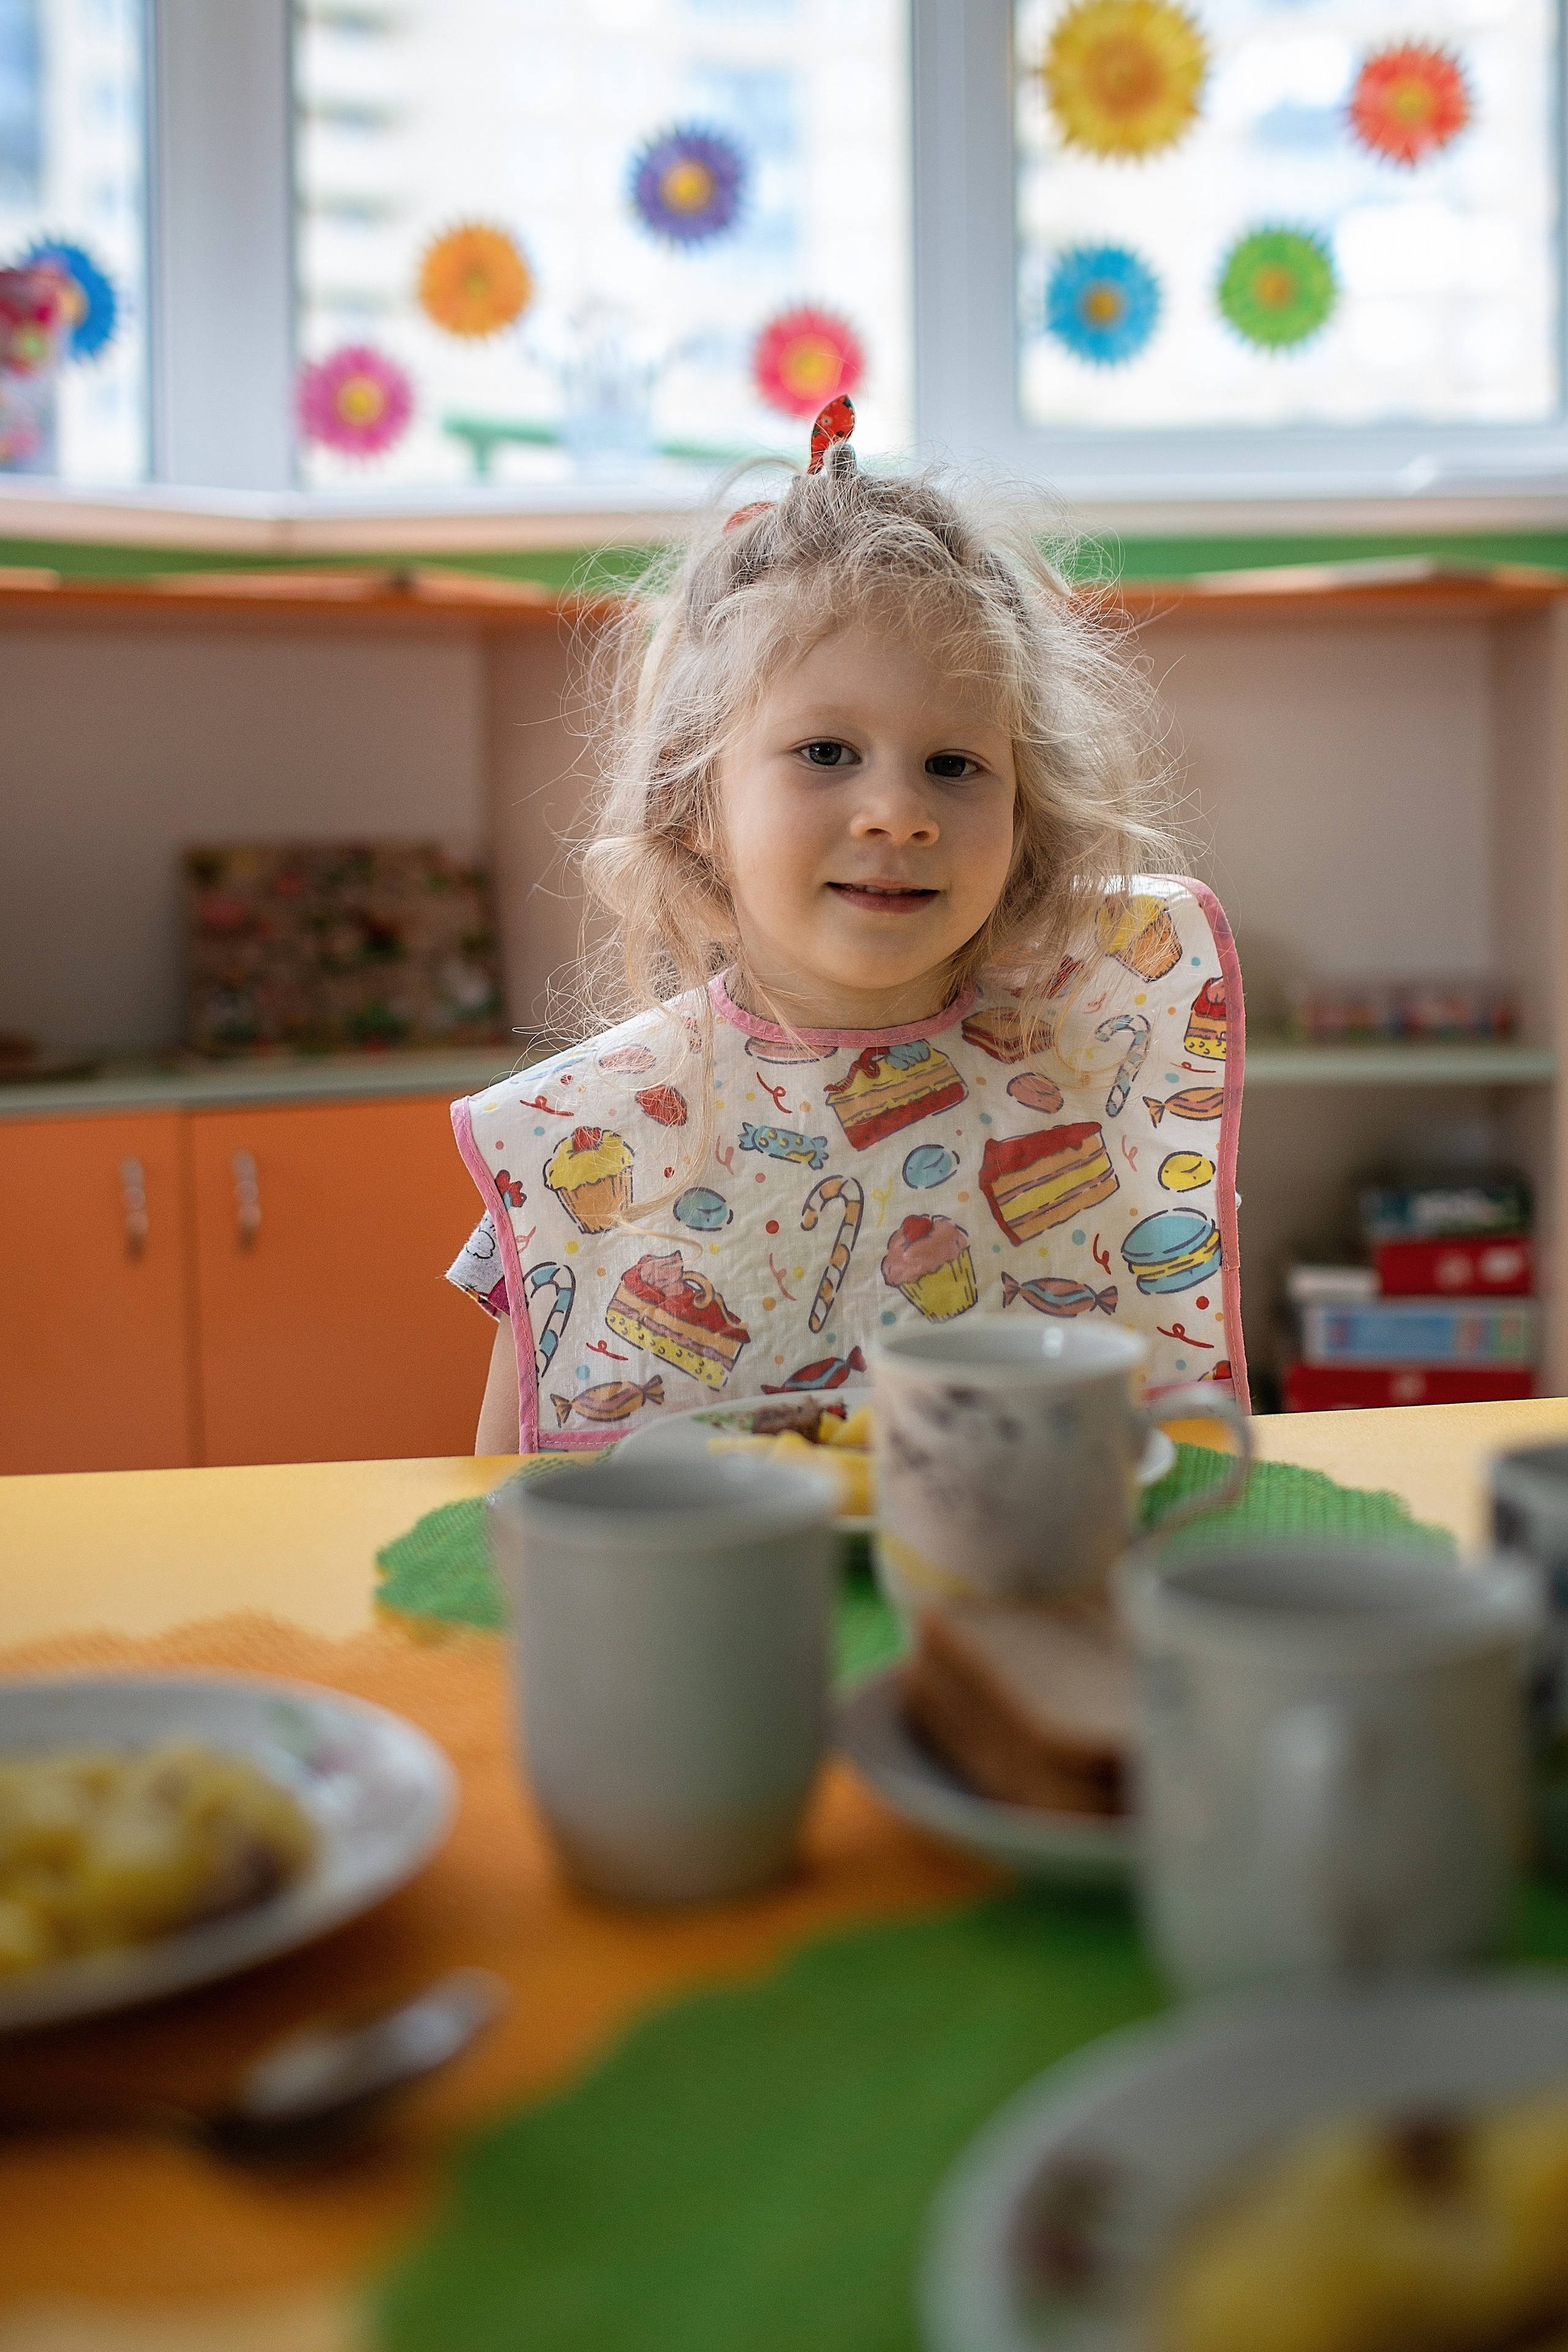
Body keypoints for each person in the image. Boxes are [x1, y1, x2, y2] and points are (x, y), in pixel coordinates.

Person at [448, 398, 1246, 1453]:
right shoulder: (592, 1137)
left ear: (1027, 820)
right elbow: (506, 1497)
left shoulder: (1102, 1067)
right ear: (695, 805)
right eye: (826, 753)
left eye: (954, 764)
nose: (897, 814)